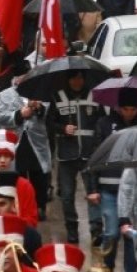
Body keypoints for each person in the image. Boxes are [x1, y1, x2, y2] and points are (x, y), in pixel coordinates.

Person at [89, 86, 137, 272]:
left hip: (134, 193)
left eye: (133, 109)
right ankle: (107, 271)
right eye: (125, 109)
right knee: (112, 233)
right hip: (109, 189)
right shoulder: (104, 124)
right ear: (119, 107)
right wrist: (93, 188)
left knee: (131, 237)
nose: (129, 113)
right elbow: (95, 156)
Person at [46, 70, 101, 244]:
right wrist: (63, 129)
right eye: (74, 78)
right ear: (68, 80)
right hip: (66, 156)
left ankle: (96, 229)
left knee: (93, 193)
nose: (77, 81)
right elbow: (49, 123)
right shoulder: (58, 97)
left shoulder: (94, 96)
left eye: (80, 78)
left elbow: (101, 122)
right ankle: (72, 229)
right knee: (67, 196)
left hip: (89, 155)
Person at [0, 66, 51, 220]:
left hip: (36, 142)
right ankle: (19, 206)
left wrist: (38, 108)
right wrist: (19, 114)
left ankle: (40, 206)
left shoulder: (40, 93)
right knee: (18, 176)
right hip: (16, 142)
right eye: (21, 76)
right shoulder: (4, 95)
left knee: (39, 175)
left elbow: (49, 114)